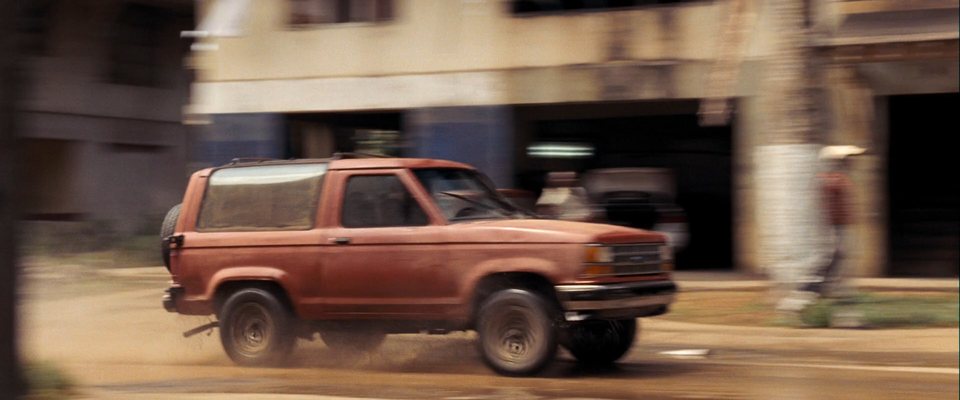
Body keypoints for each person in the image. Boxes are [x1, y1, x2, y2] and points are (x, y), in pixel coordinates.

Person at [779, 145, 866, 314]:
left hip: (838, 229)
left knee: (834, 267)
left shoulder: (838, 179)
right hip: (832, 230)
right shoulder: (831, 180)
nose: (851, 163)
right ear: (837, 162)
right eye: (847, 160)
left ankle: (835, 308)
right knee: (827, 267)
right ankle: (798, 301)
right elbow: (828, 209)